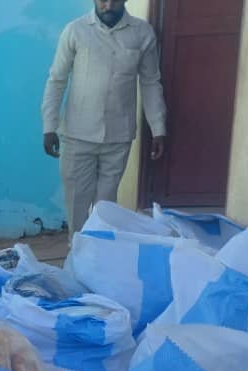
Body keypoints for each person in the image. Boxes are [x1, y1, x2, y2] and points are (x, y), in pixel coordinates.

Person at [41, 0, 168, 233]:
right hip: (77, 134)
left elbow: (150, 82)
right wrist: (49, 126)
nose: (108, 6)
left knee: (106, 207)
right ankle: (77, 248)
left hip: (118, 137)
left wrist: (158, 128)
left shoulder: (142, 33)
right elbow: (57, 80)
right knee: (77, 203)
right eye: (102, 0)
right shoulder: (75, 31)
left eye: (114, 0)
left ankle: (99, 251)